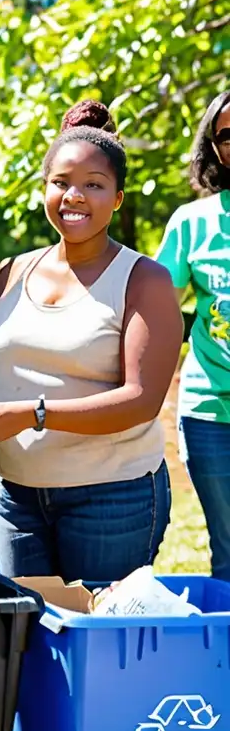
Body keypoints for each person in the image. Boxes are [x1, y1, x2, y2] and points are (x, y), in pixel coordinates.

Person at [0, 100, 182, 583]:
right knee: (26, 642)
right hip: (16, 496)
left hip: (112, 496)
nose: (74, 196)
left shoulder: (144, 280)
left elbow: (140, 400)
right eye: (61, 183)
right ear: (44, 189)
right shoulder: (12, 271)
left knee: (99, 643)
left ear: (117, 198)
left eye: (93, 185)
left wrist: (32, 415)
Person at [155, 90, 230, 581]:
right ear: (215, 148)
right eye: (227, 135)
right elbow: (156, 311)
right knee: (227, 554)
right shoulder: (192, 222)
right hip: (210, 415)